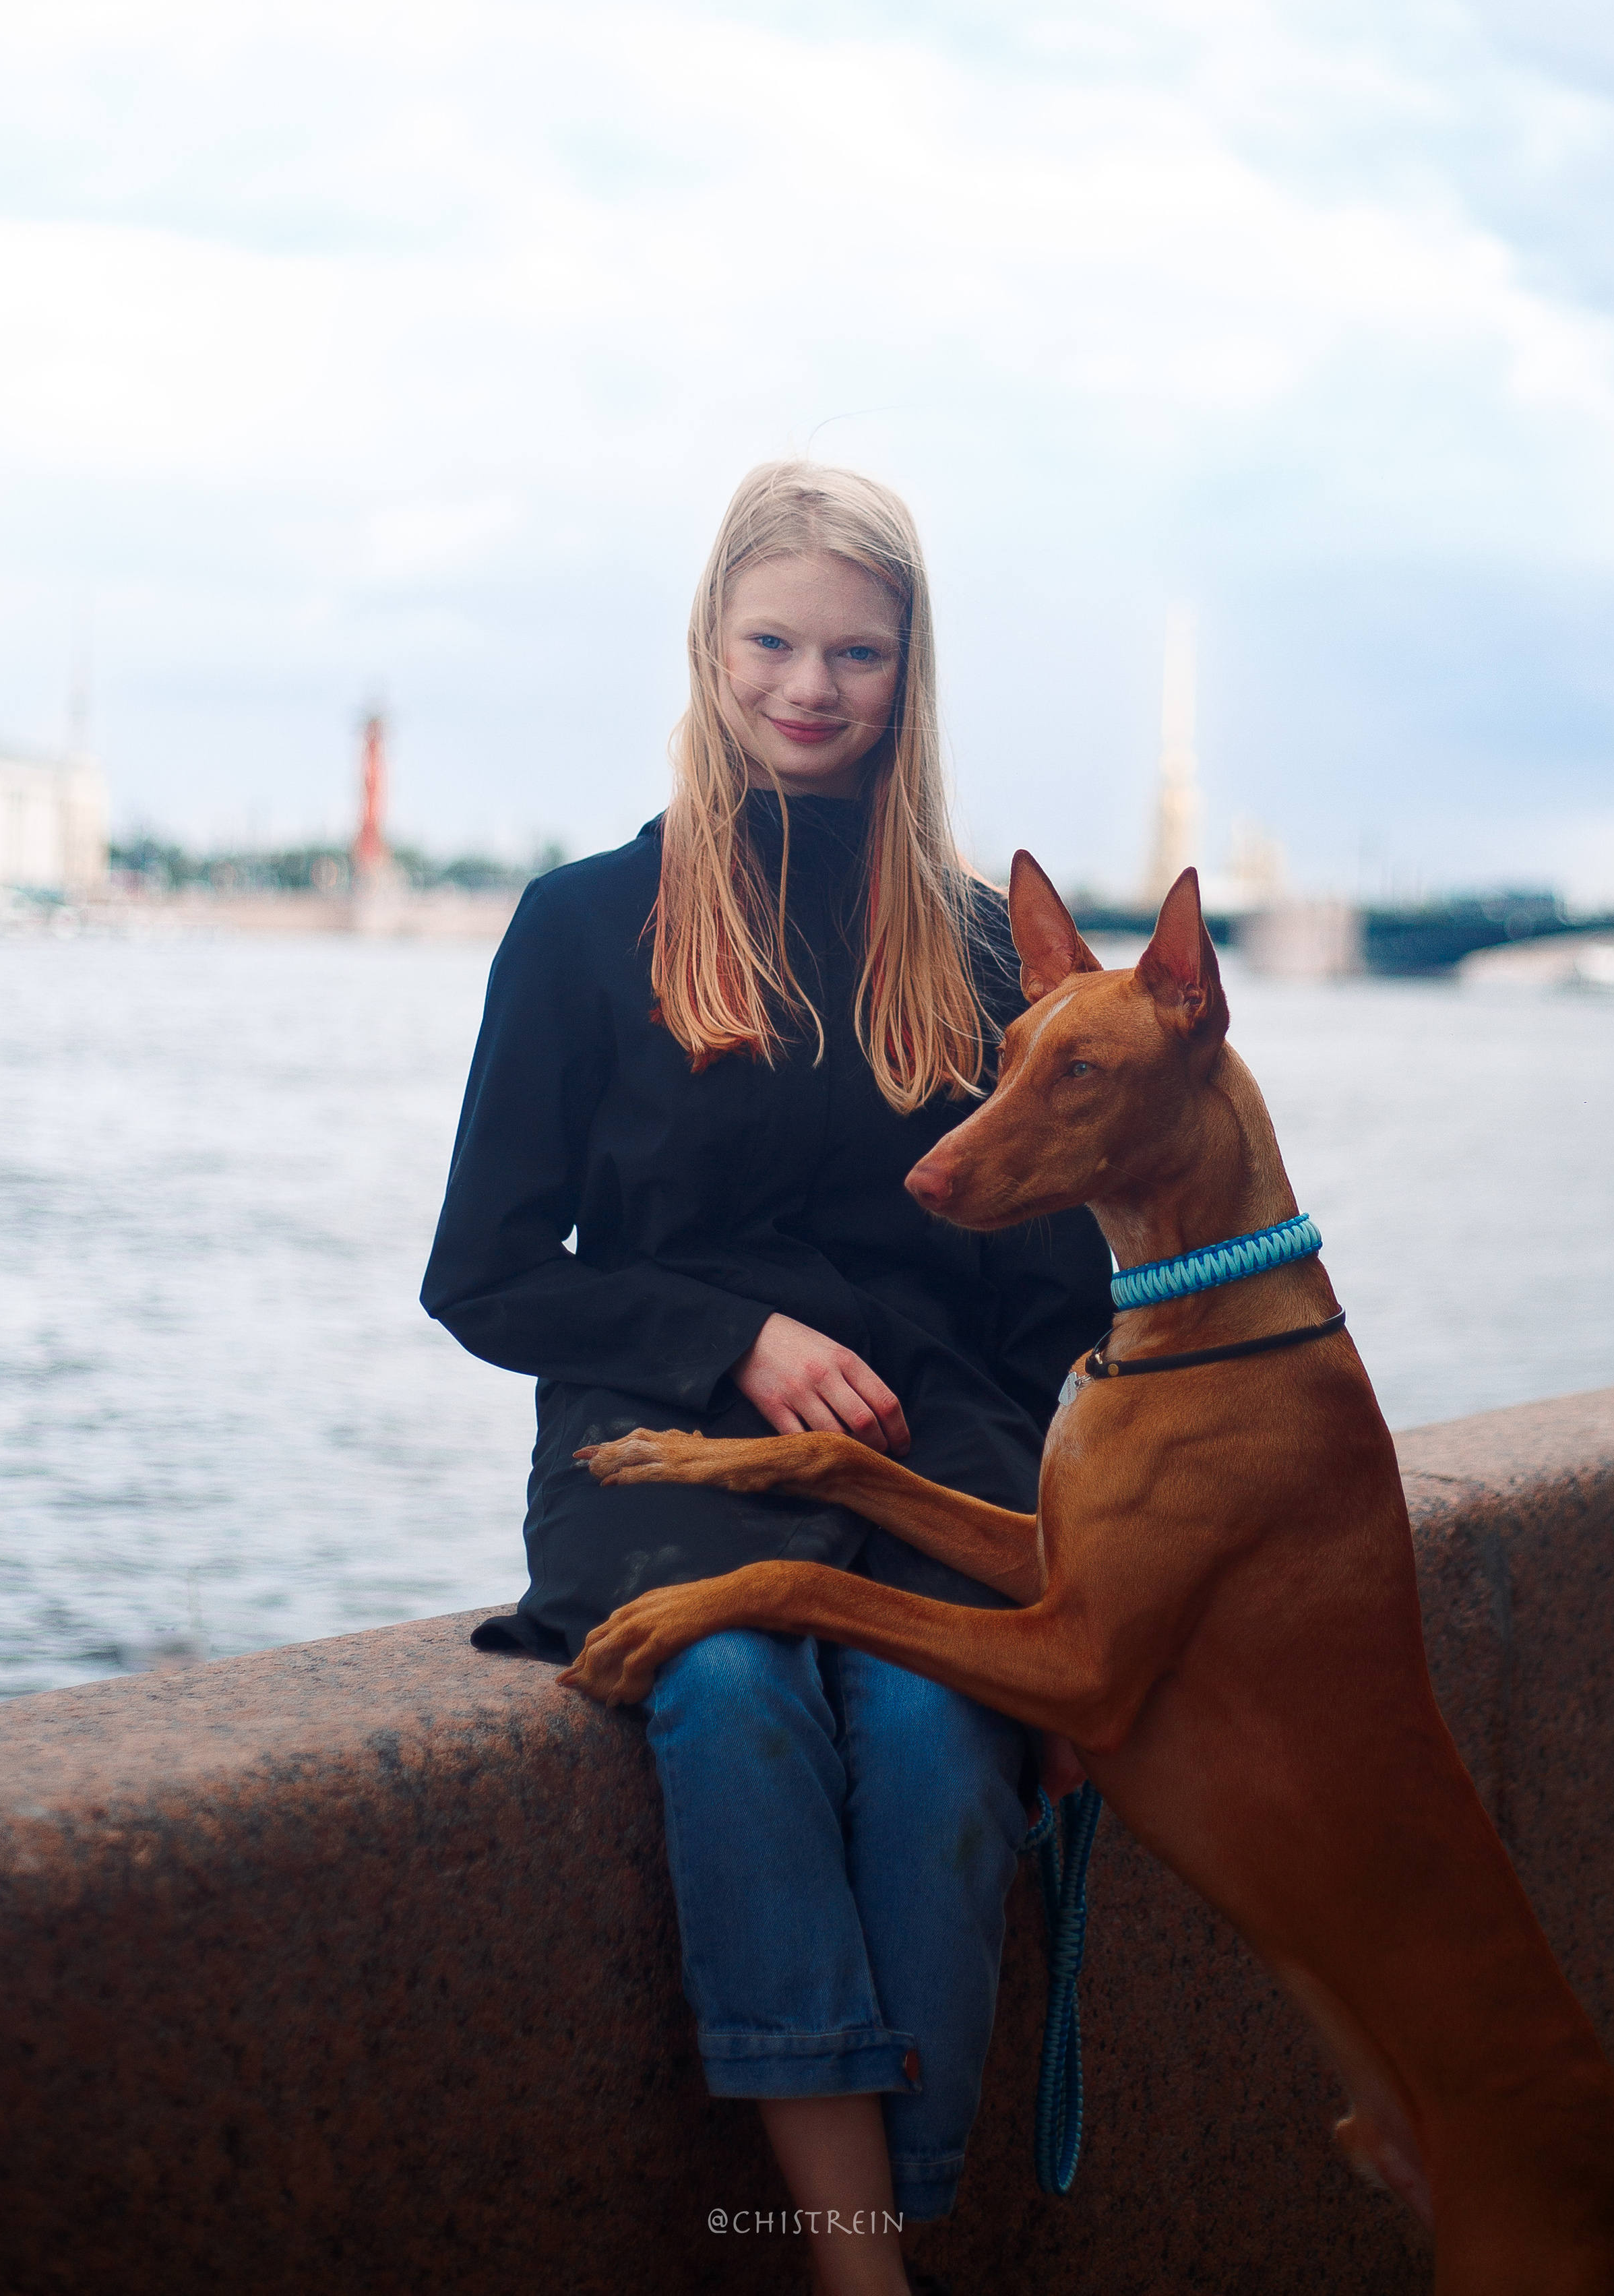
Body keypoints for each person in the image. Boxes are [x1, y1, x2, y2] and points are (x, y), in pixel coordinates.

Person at [421, 460, 1111, 2295]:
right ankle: (859, 2269)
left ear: (912, 672)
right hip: (658, 1458)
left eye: (859, 653)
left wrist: (1042, 1553)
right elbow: (479, 1276)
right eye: (775, 643)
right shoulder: (585, 927)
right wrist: (729, 1334)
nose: (813, 687)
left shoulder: (972, 946)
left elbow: (1055, 1305)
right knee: (729, 1695)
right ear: (712, 648)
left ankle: (897, 2215)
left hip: (925, 1460)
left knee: (921, 1725)